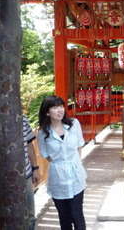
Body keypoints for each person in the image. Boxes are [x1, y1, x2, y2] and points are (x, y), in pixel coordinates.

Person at [0, 83, 40, 230]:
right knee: (7, 219)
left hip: (25, 177)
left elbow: (29, 144)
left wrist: (35, 167)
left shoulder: (22, 119)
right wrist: (7, 175)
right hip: (1, 182)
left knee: (30, 216)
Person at [37, 95, 87, 230]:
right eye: (55, 107)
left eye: (61, 106)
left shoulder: (74, 124)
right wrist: (60, 163)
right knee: (64, 216)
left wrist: (76, 162)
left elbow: (79, 144)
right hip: (57, 177)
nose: (60, 110)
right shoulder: (42, 133)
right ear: (47, 112)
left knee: (77, 214)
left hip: (75, 175)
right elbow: (46, 155)